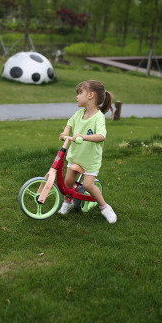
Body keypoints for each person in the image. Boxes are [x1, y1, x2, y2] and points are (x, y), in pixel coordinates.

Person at [58, 80, 117, 223]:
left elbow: (101, 136)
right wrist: (65, 132)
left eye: (80, 93)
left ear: (90, 95)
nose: (77, 96)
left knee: (88, 185)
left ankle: (104, 207)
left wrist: (83, 137)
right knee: (68, 181)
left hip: (90, 159)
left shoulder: (98, 117)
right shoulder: (79, 114)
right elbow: (69, 124)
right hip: (76, 156)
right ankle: (68, 202)